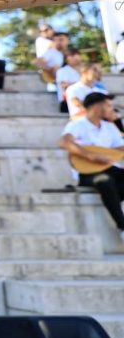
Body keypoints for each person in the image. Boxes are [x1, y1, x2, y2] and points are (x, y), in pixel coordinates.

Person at [59, 92, 124, 244]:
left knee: (111, 181)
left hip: (111, 169)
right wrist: (91, 156)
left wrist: (119, 124)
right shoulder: (77, 125)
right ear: (96, 107)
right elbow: (65, 143)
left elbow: (119, 149)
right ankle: (122, 226)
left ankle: (112, 197)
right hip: (88, 172)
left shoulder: (110, 128)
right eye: (108, 106)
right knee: (105, 181)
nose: (111, 110)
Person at [55, 48, 83, 113]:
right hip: (68, 102)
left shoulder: (83, 71)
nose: (75, 58)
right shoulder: (62, 71)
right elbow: (64, 85)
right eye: (72, 56)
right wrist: (83, 84)